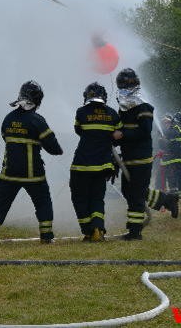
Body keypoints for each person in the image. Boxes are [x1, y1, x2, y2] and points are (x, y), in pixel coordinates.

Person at [0, 81, 63, 243]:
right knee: (43, 201)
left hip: (9, 172)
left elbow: (5, 137)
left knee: (1, 202)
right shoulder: (37, 120)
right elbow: (53, 147)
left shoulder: (8, 118)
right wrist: (59, 149)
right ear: (37, 100)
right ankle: (46, 237)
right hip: (33, 174)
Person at [114, 68, 176, 239]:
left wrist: (122, 135)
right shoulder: (124, 108)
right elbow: (122, 132)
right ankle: (166, 199)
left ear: (136, 84)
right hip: (128, 157)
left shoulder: (144, 106)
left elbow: (144, 132)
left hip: (141, 158)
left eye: (128, 84)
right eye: (122, 85)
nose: (125, 88)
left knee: (135, 195)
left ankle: (135, 232)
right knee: (129, 192)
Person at [70, 82, 121, 242]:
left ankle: (88, 231)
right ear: (104, 96)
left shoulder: (81, 112)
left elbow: (79, 130)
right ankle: (98, 227)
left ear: (87, 96)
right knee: (97, 198)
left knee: (80, 198)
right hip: (103, 166)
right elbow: (118, 135)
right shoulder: (113, 114)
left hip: (82, 165)